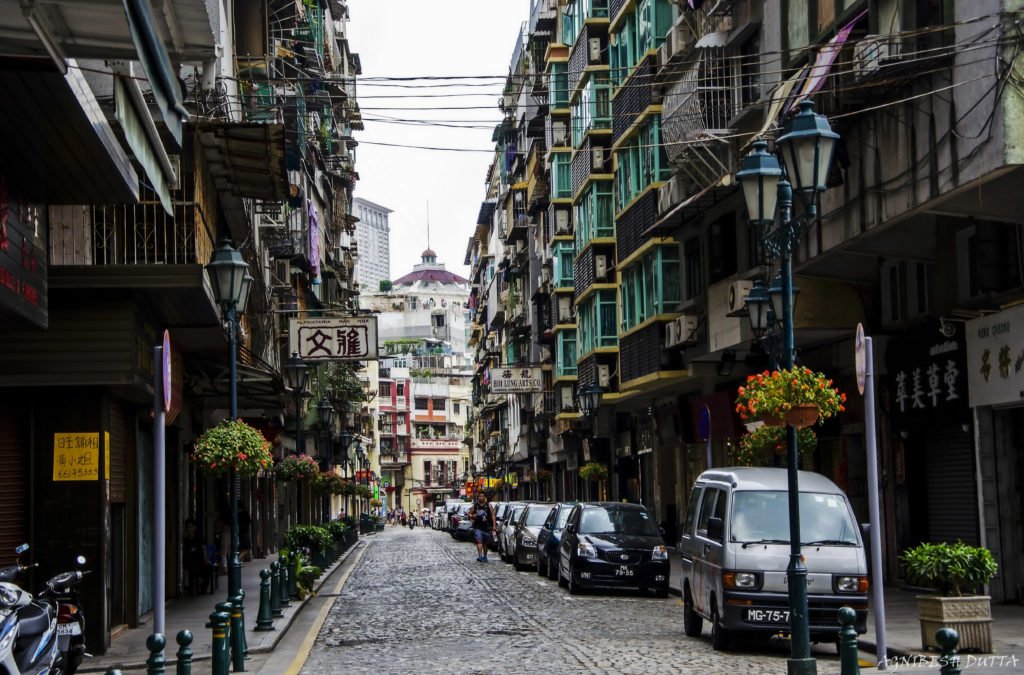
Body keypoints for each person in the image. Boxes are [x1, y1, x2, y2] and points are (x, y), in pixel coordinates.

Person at [469, 493, 496, 562]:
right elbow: (469, 513)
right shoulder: (475, 506)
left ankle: (485, 556)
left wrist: (494, 525)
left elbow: (493, 515)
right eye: (479, 496)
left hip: (487, 527)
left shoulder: (488, 506)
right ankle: (480, 556)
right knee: (479, 541)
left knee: (485, 543)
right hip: (478, 527)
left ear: (484, 497)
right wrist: (472, 516)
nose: (481, 498)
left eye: (482, 496)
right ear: (478, 498)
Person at [182, 518, 206, 595]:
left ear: (194, 528)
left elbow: (203, 549)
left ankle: (202, 586)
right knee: (190, 567)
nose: (188, 529)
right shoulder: (185, 539)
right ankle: (190, 586)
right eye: (187, 527)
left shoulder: (199, 537)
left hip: (199, 559)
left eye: (189, 526)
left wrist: (205, 559)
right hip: (189, 560)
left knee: (205, 568)